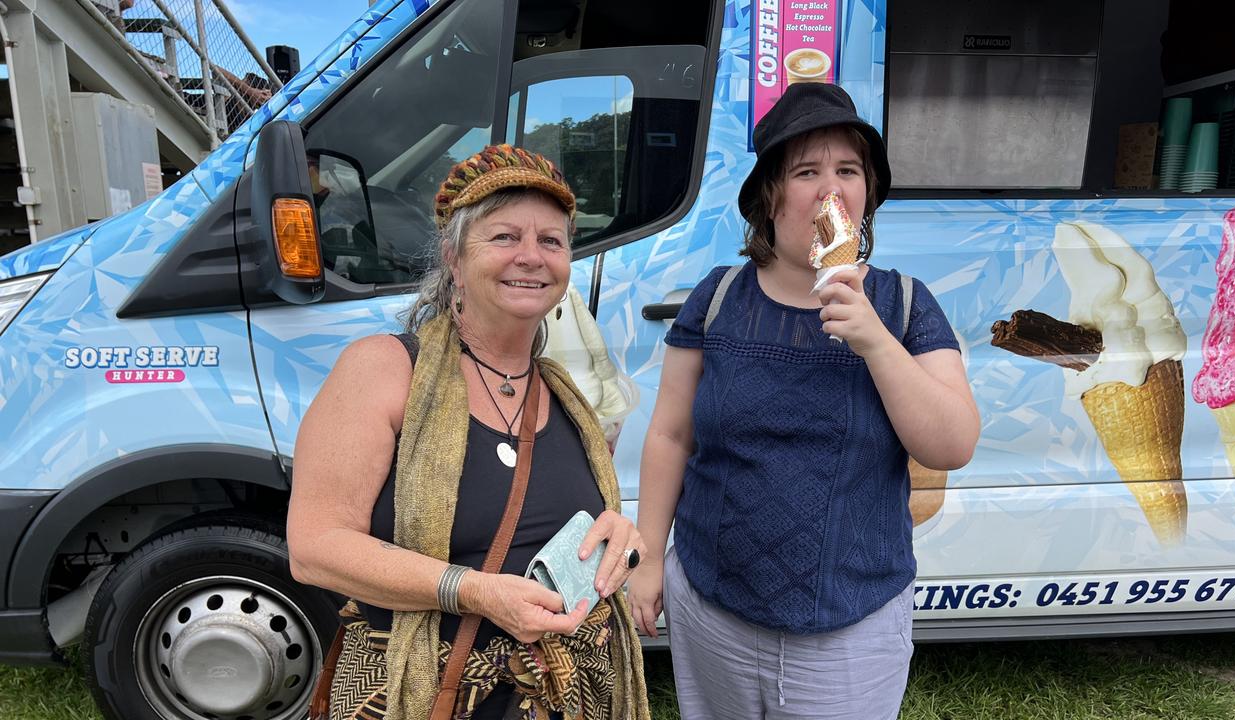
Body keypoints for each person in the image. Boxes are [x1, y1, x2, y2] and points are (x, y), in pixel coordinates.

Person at [628, 82, 980, 719]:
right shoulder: (718, 296)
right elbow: (671, 435)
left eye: (847, 170)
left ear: (866, 193)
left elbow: (952, 444)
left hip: (852, 624)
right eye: (806, 171)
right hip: (713, 607)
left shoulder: (903, 304)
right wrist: (649, 558)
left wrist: (875, 340)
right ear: (770, 197)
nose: (830, 190)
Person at [288, 144, 651, 720]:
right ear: (454, 259)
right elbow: (315, 548)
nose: (531, 257)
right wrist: (476, 591)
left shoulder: (565, 396)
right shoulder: (384, 369)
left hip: (564, 692)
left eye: (551, 241)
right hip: (421, 692)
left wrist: (616, 538)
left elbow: (570, 522)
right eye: (505, 237)